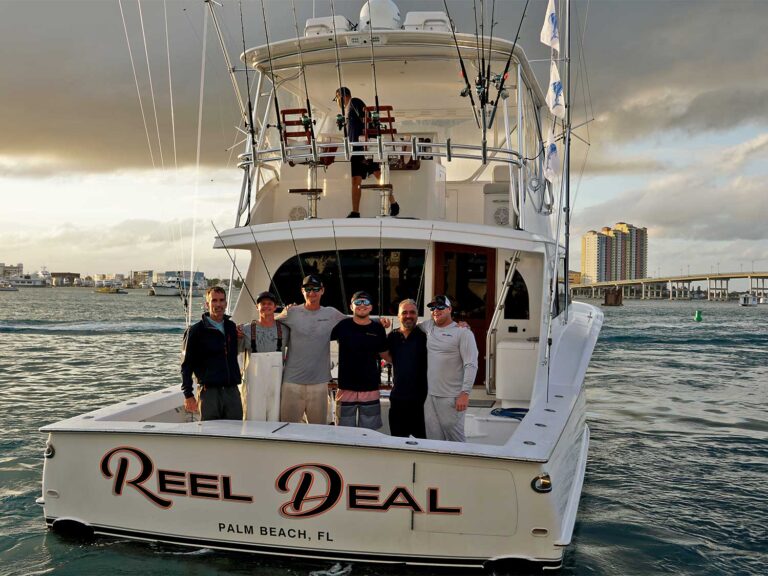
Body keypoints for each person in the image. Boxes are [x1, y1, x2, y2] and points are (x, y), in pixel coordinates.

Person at [276, 274, 346, 424]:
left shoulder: (331, 313)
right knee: (288, 430)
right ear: (302, 291)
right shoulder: (291, 312)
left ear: (322, 291)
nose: (312, 293)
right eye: (308, 289)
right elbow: (268, 323)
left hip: (319, 384)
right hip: (291, 383)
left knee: (318, 431)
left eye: (316, 289)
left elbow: (355, 322)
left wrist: (380, 322)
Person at [334, 86, 399, 218]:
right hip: (357, 149)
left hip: (362, 147)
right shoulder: (348, 110)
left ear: (341, 96)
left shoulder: (354, 102)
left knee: (376, 175)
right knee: (358, 179)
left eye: (336, 98)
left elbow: (367, 119)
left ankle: (393, 203)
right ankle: (356, 212)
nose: (337, 102)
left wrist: (367, 145)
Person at [420, 295, 478, 442]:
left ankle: (462, 465)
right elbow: (408, 324)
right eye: (433, 307)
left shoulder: (463, 332)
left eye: (440, 307)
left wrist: (465, 393)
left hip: (452, 397)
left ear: (450, 309)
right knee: (433, 439)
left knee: (456, 440)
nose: (436, 310)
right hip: (430, 396)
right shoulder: (428, 326)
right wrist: (379, 322)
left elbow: (471, 364)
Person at [180, 286, 243, 421]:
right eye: (214, 300)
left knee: (235, 433)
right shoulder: (195, 331)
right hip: (209, 393)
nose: (218, 304)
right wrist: (188, 395)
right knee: (210, 434)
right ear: (207, 304)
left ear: (226, 303)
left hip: (231, 392)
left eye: (221, 300)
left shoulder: (232, 327)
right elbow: (186, 366)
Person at [331, 291, 388, 429]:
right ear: (351, 307)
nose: (362, 305)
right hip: (345, 388)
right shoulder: (342, 325)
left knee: (370, 432)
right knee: (343, 431)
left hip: (370, 388)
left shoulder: (378, 328)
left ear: (371, 307)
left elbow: (385, 353)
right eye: (358, 302)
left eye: (366, 302)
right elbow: (319, 335)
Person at [382, 299, 428, 438]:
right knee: (398, 444)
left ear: (417, 315)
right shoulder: (392, 337)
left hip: (422, 403)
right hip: (398, 401)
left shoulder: (426, 336)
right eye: (405, 313)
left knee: (423, 445)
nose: (408, 316)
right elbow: (385, 355)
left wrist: (461, 325)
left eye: (412, 312)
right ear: (398, 316)